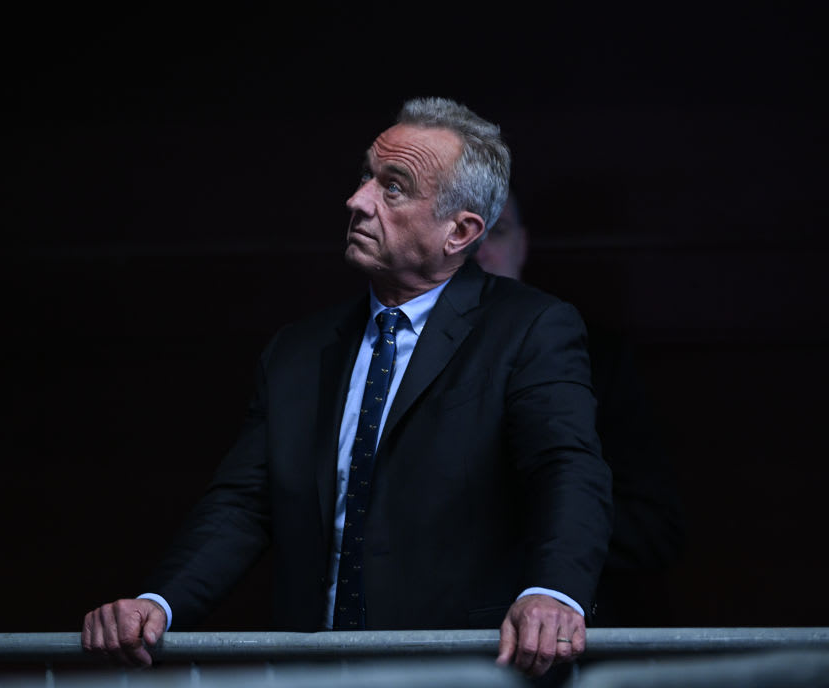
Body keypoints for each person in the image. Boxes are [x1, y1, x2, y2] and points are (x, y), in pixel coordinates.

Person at [83, 97, 613, 682]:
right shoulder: (299, 350)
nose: (357, 200)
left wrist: (555, 592)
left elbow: (566, 468)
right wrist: (158, 605)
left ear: (459, 232)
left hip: (463, 669)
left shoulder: (530, 327)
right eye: (367, 176)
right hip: (316, 670)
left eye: (394, 187)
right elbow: (242, 503)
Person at [474, 193, 687, 627]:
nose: (479, 250)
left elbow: (654, 528)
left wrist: (539, 518)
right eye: (464, 229)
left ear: (523, 245)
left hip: (557, 638)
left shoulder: (597, 358)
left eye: (495, 231)